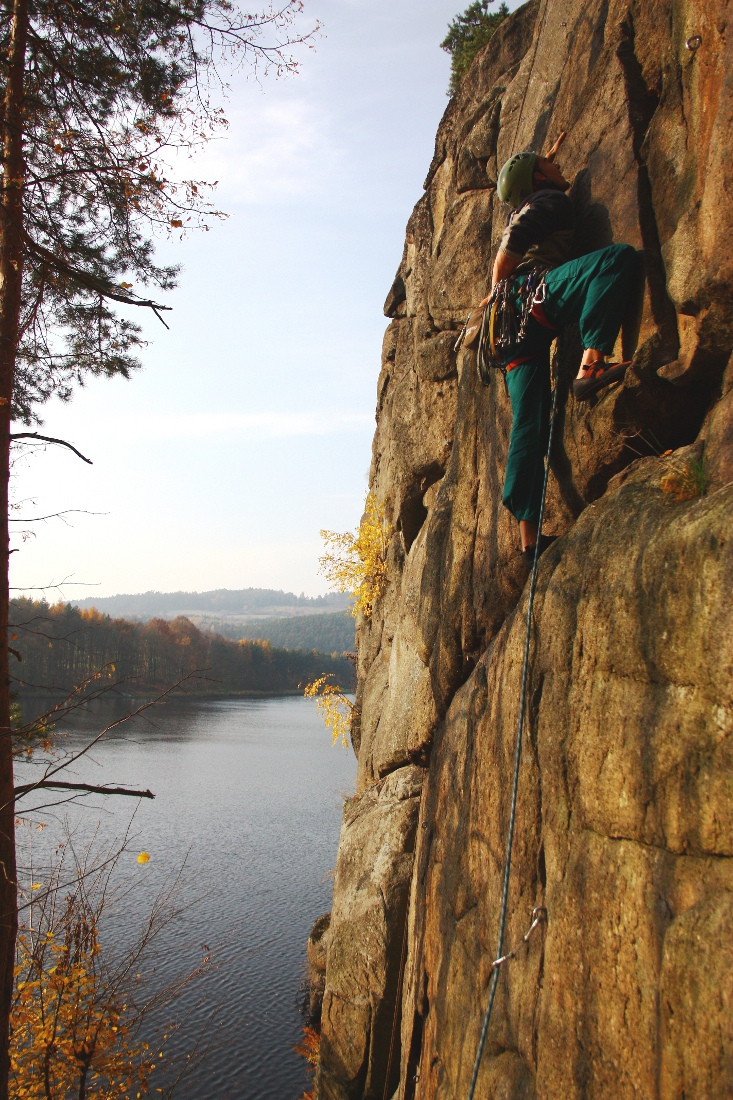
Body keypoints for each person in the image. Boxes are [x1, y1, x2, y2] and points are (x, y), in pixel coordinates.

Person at [482, 132, 638, 564]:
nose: (558, 167)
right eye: (549, 166)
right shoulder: (547, 202)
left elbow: (526, 200)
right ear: (537, 179)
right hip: (529, 302)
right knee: (615, 260)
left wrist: (541, 159)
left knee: (528, 424)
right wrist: (500, 291)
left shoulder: (527, 204)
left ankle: (529, 542)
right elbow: (505, 260)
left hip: (507, 338)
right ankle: (590, 367)